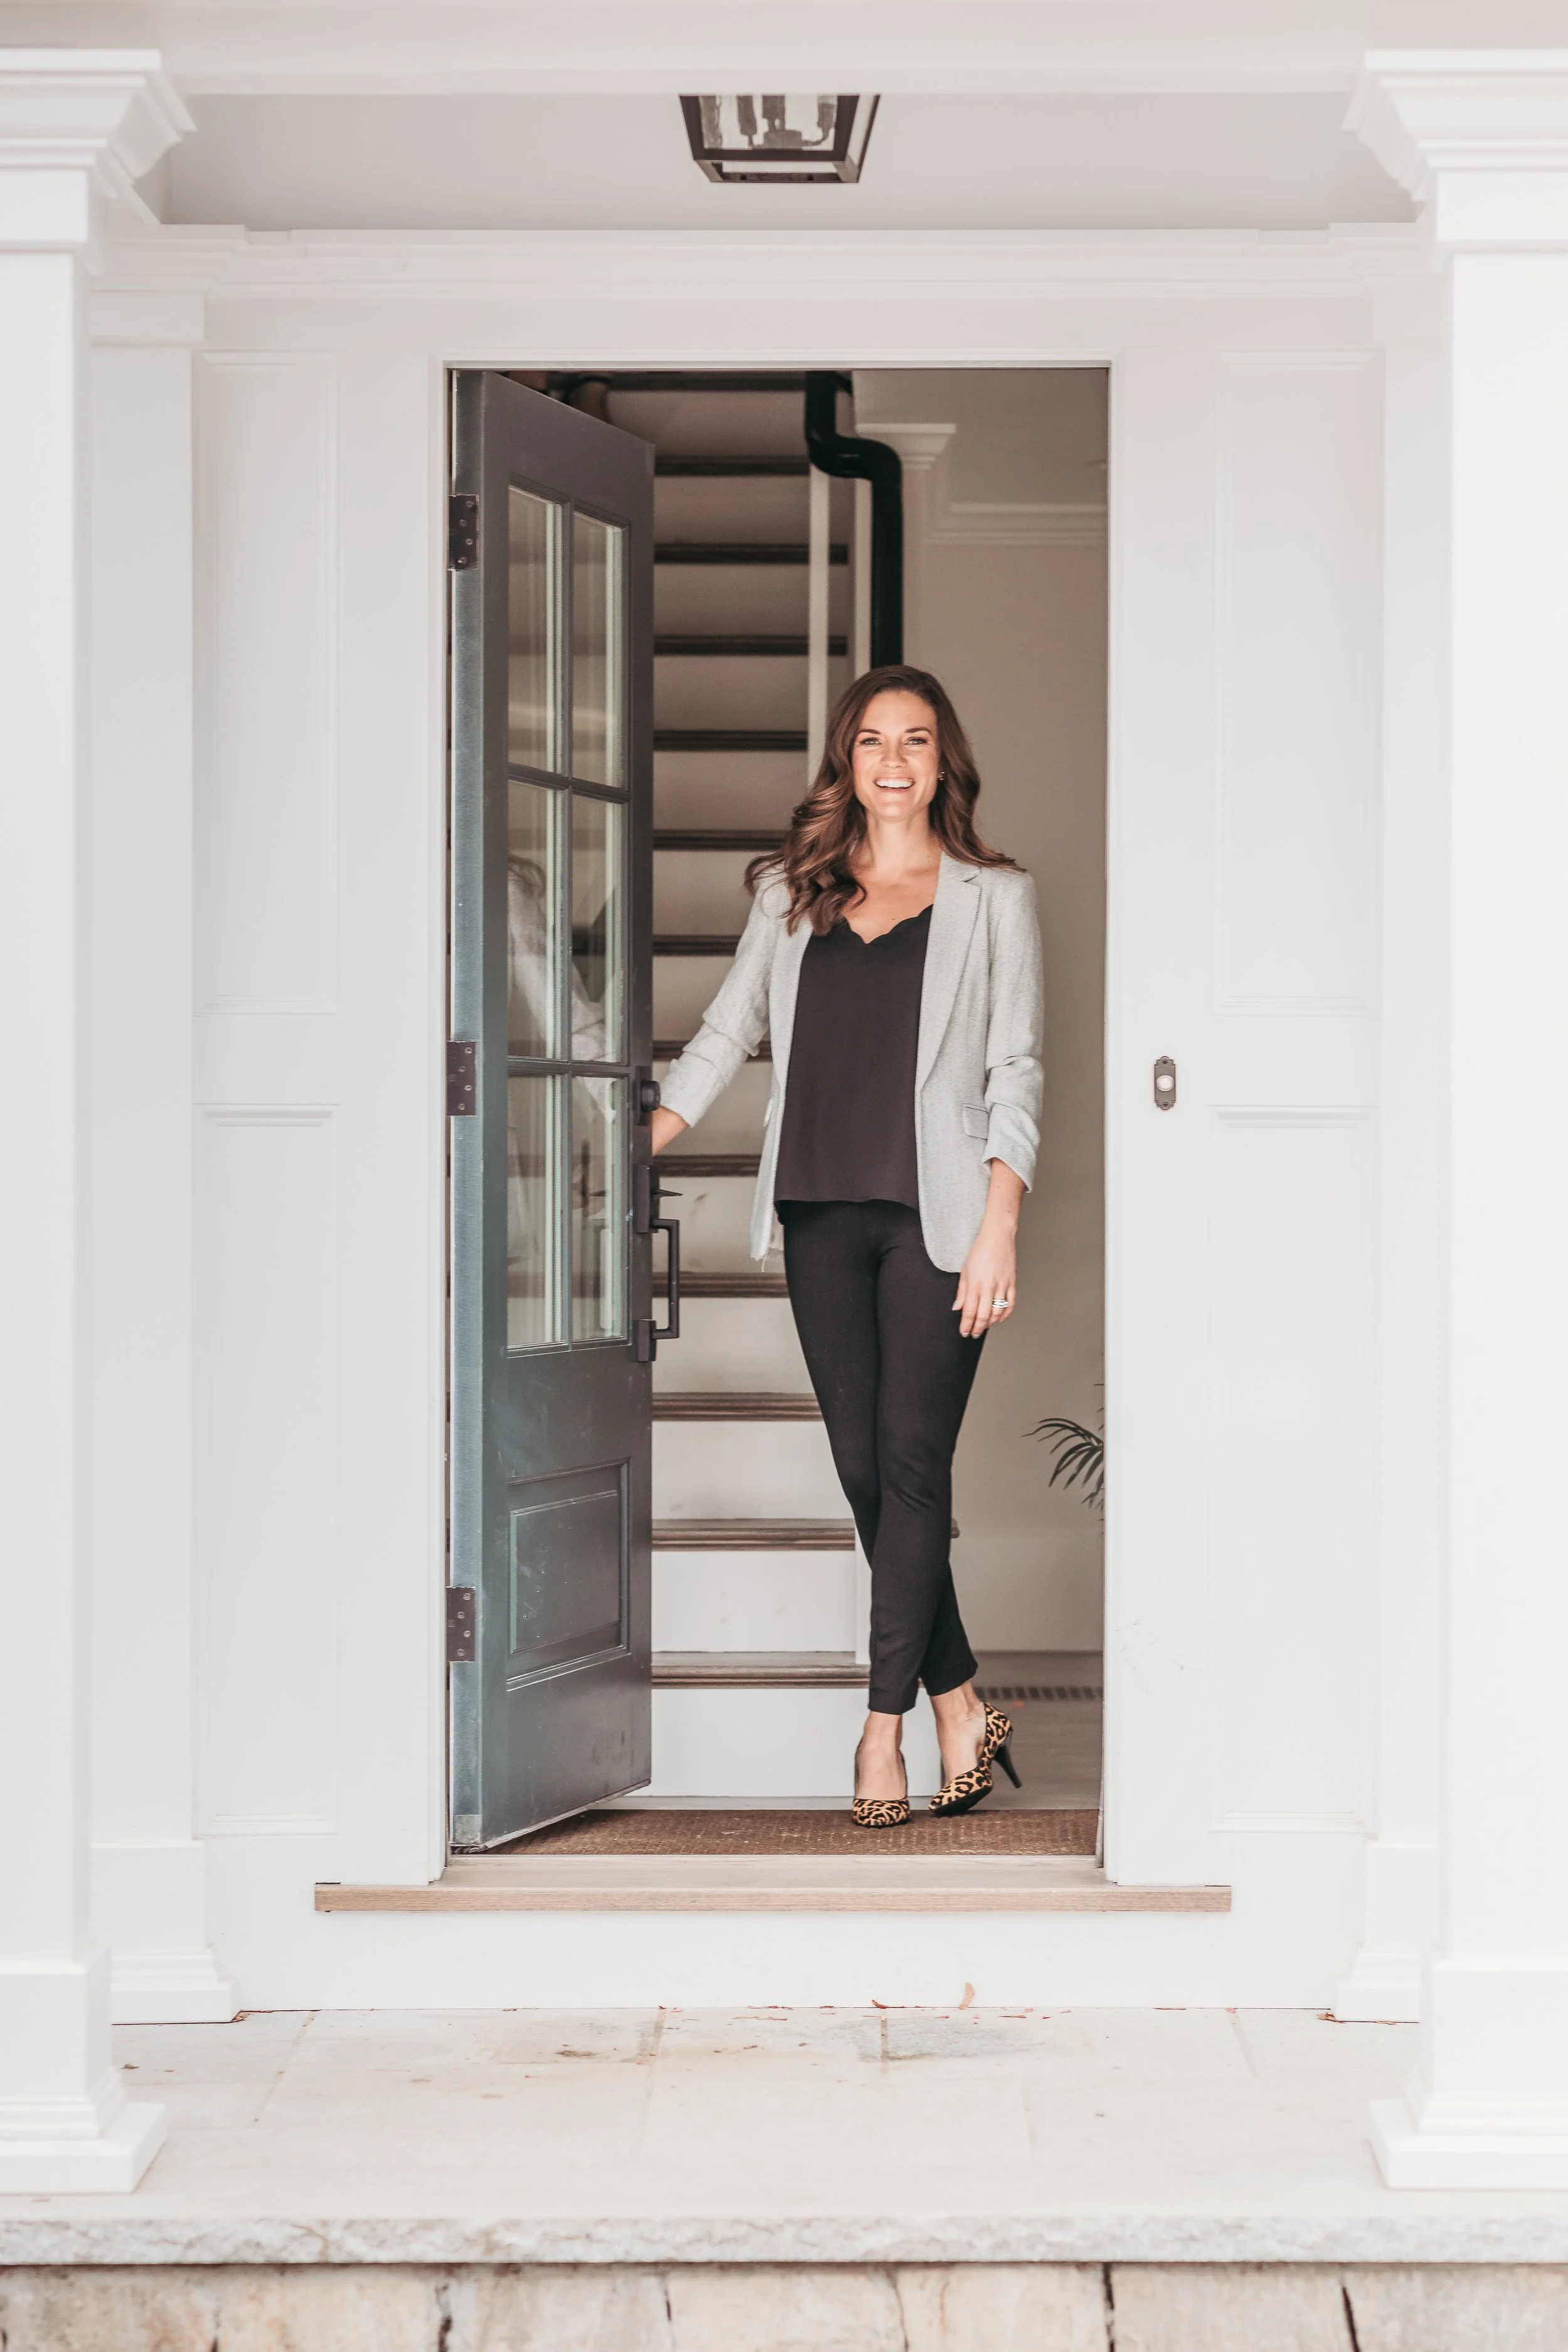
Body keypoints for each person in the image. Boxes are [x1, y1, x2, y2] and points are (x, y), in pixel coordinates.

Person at [653, 665, 1045, 1828]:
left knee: (915, 1464)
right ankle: (966, 1700)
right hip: (820, 1208)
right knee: (867, 1471)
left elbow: (1016, 1067)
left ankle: (886, 1731)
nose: (892, 761)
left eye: (915, 741)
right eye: (872, 740)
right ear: (846, 758)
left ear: (942, 762)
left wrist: (1001, 1224)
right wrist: (654, 1132)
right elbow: (732, 1022)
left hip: (942, 1221)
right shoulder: (793, 889)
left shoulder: (993, 898)